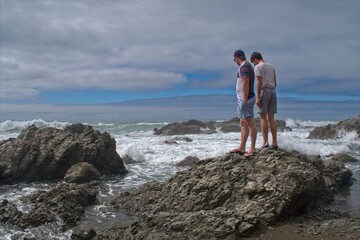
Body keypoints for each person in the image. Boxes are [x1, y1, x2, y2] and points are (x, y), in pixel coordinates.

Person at [230, 50, 257, 156]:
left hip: (246, 99)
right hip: (242, 99)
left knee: (250, 123)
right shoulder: (245, 66)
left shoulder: (245, 66)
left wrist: (244, 99)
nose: (234, 61)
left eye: (234, 59)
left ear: (237, 57)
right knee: (244, 123)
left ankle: (252, 148)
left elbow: (245, 81)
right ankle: (242, 147)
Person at [250, 52, 278, 149]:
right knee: (271, 118)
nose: (254, 64)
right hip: (273, 91)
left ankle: (265, 142)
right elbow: (275, 82)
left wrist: (258, 96)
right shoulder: (271, 67)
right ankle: (274, 142)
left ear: (255, 59)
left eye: (253, 62)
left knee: (263, 117)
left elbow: (259, 82)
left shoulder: (258, 67)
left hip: (264, 91)